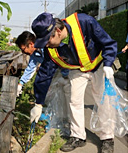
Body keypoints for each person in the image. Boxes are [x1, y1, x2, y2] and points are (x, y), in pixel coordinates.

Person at [30, 12, 117, 153]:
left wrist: (108, 63)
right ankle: (77, 136)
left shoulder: (84, 22)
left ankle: (107, 138)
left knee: (103, 100)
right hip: (77, 70)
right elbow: (45, 73)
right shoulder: (50, 49)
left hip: (98, 65)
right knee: (74, 101)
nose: (46, 45)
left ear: (57, 32)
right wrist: (38, 103)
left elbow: (108, 43)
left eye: (47, 40)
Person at [15, 31, 44, 96]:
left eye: (23, 49)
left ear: (31, 44)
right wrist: (20, 84)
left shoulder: (46, 47)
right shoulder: (34, 54)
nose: (23, 52)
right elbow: (30, 68)